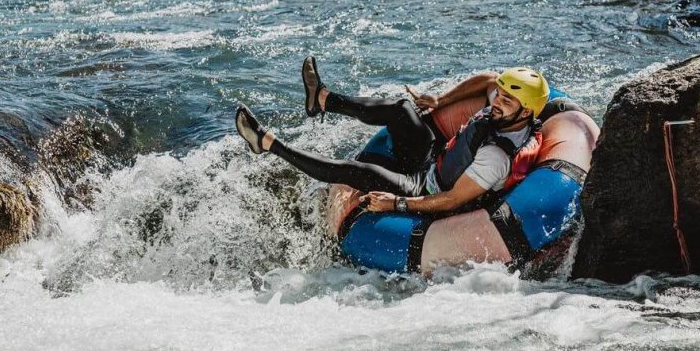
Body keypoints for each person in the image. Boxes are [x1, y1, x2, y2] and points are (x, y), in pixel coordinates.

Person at [234, 57, 549, 217]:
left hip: (426, 189)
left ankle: (267, 144)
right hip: (435, 162)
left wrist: (397, 204)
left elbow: (452, 200)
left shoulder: (495, 157)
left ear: (526, 111)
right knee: (401, 109)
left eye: (507, 100)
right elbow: (490, 80)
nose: (497, 101)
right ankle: (322, 100)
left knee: (355, 171)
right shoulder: (506, 108)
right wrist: (441, 100)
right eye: (500, 96)